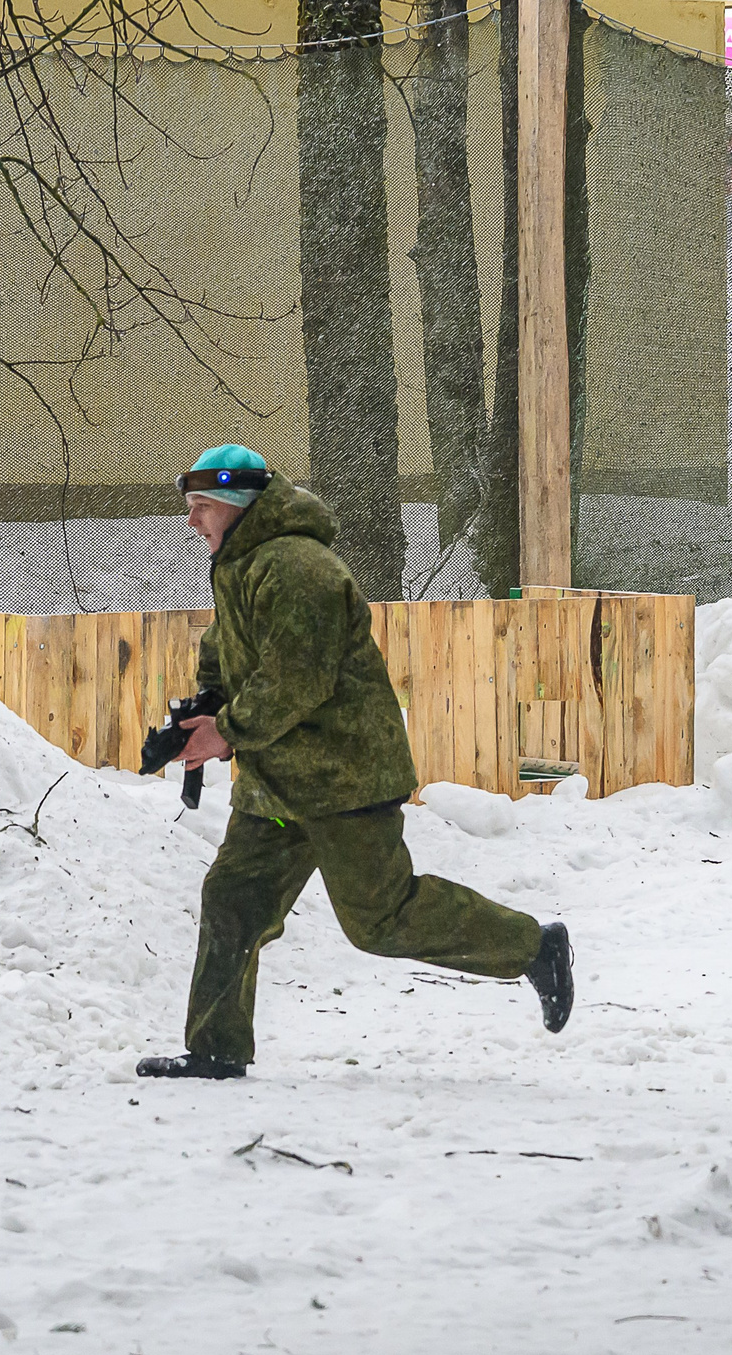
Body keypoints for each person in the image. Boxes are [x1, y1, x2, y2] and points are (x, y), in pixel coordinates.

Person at [138, 444, 573, 1081]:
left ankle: (535, 947)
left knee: (381, 918)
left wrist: (225, 733)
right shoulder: (241, 567)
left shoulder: (298, 568)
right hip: (279, 786)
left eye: (202, 506)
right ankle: (216, 1050)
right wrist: (201, 712)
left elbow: (297, 679)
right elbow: (230, 655)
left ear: (238, 504)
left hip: (341, 777)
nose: (193, 520)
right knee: (233, 898)